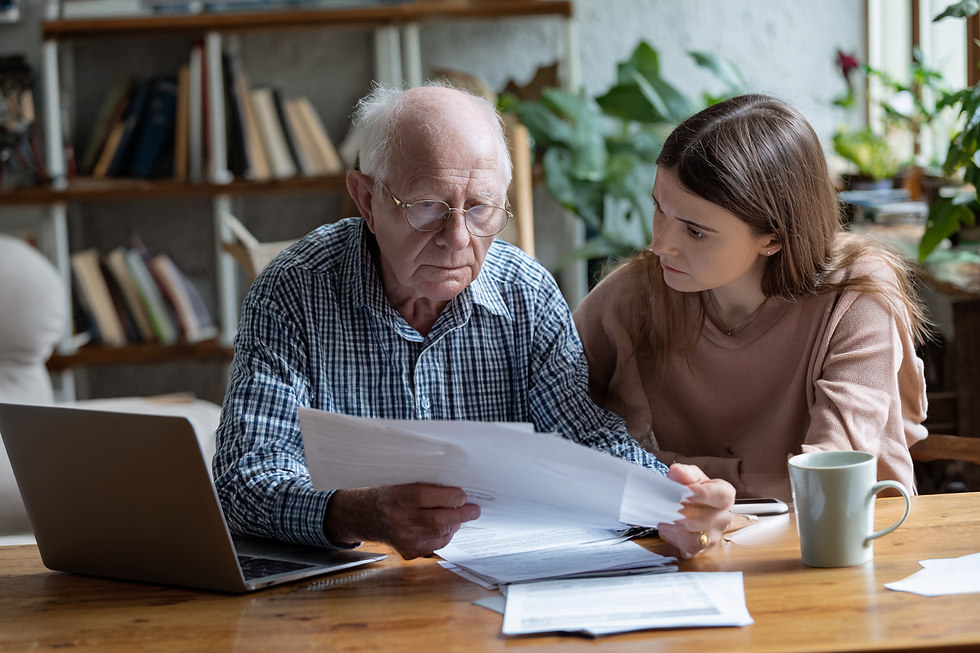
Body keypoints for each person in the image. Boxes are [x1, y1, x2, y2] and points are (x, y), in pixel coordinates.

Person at [212, 84, 734, 561]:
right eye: (427, 207)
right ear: (367, 200)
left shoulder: (525, 292)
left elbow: (584, 444)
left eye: (481, 207)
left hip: (495, 592)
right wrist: (361, 512)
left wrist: (672, 497)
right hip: (346, 595)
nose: (458, 237)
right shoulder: (295, 289)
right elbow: (244, 480)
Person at [573, 94, 929, 504]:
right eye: (660, 209)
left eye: (695, 231)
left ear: (773, 237)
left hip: (834, 534)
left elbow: (839, 463)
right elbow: (550, 407)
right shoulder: (634, 294)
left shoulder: (855, 294)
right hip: (684, 535)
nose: (659, 244)